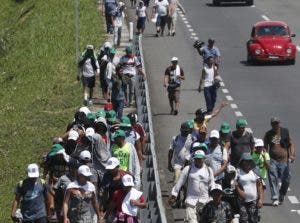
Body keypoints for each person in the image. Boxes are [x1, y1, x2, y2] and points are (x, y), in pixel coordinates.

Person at [169, 150, 215, 223]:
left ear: (204, 159)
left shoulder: (209, 170)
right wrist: (174, 195)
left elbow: (212, 184)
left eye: (200, 158)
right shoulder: (188, 169)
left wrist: (213, 197)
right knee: (192, 221)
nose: (198, 160)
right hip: (191, 201)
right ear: (194, 159)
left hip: (205, 202)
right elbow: (179, 183)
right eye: (196, 158)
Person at [264, 117, 295, 206]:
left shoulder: (285, 131)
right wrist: (266, 159)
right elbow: (265, 148)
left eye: (277, 123)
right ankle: (275, 198)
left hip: (284, 160)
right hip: (273, 160)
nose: (276, 125)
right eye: (274, 123)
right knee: (273, 179)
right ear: (271, 124)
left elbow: (291, 144)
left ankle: (282, 194)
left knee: (287, 179)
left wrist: (292, 155)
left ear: (279, 123)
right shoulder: (268, 134)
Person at [236, 153, 263, 223]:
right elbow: (234, 185)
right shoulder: (237, 173)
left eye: (249, 161)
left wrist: (260, 199)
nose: (247, 163)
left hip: (254, 201)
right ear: (242, 162)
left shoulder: (254, 172)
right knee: (244, 220)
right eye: (245, 161)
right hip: (242, 202)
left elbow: (259, 186)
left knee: (254, 220)